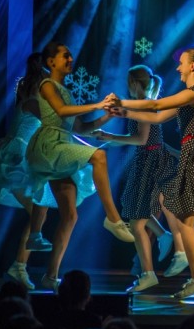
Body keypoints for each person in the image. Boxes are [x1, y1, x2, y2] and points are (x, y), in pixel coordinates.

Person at [110, 48, 194, 299]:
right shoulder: (188, 96)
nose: (178, 68)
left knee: (186, 220)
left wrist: (122, 102)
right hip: (193, 153)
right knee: (186, 221)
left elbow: (155, 104)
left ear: (193, 67)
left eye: (182, 63)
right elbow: (157, 117)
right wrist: (125, 112)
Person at [26, 42, 134, 291]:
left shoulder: (66, 91)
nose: (70, 59)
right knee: (99, 157)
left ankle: (50, 275)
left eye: (71, 56)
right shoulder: (47, 85)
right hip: (50, 147)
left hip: (62, 146)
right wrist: (97, 104)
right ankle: (113, 219)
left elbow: (80, 128)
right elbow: (62, 112)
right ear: (51, 62)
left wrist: (106, 116)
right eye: (65, 56)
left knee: (70, 215)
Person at [92, 65, 182, 293]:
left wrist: (110, 136)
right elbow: (139, 138)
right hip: (148, 159)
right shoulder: (145, 103)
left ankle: (149, 272)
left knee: (135, 219)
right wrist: (109, 139)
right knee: (132, 208)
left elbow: (141, 139)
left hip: (149, 162)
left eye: (128, 82)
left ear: (133, 83)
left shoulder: (144, 104)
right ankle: (162, 237)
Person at [0, 53, 54, 289]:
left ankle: (19, 265)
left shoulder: (31, 98)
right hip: (16, 158)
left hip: (21, 156)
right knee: (39, 208)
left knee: (39, 209)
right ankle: (19, 264)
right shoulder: (33, 102)